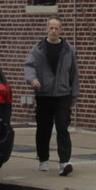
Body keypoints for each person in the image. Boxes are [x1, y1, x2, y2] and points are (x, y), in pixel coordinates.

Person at [25, 17, 78, 174]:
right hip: (44, 95)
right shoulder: (38, 49)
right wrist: (33, 80)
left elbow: (74, 74)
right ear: (46, 29)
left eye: (57, 28)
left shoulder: (68, 50)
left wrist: (73, 96)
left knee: (62, 128)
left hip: (62, 95)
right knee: (44, 129)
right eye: (51, 28)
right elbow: (29, 66)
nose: (54, 31)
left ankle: (64, 162)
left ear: (61, 30)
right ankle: (43, 159)